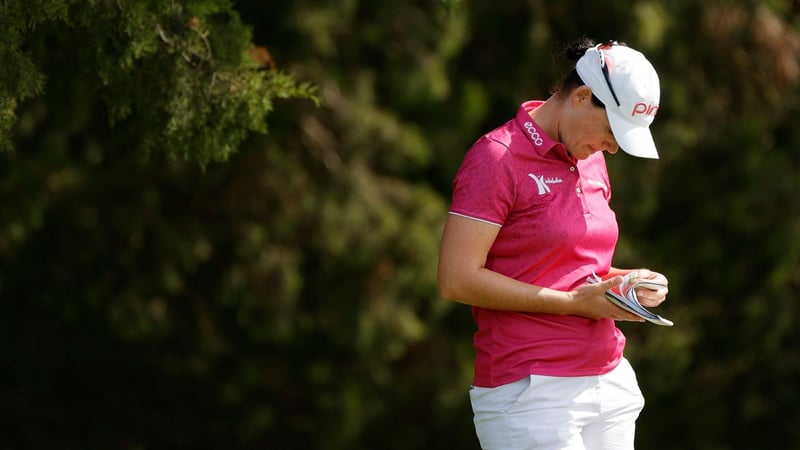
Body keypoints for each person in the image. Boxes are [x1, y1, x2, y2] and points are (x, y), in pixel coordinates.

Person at [437, 38, 670, 450]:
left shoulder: (590, 157)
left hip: (608, 379)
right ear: (582, 96)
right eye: (613, 130)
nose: (613, 148)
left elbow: (573, 268)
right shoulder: (496, 158)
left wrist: (625, 282)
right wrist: (574, 304)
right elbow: (457, 279)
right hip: (530, 390)